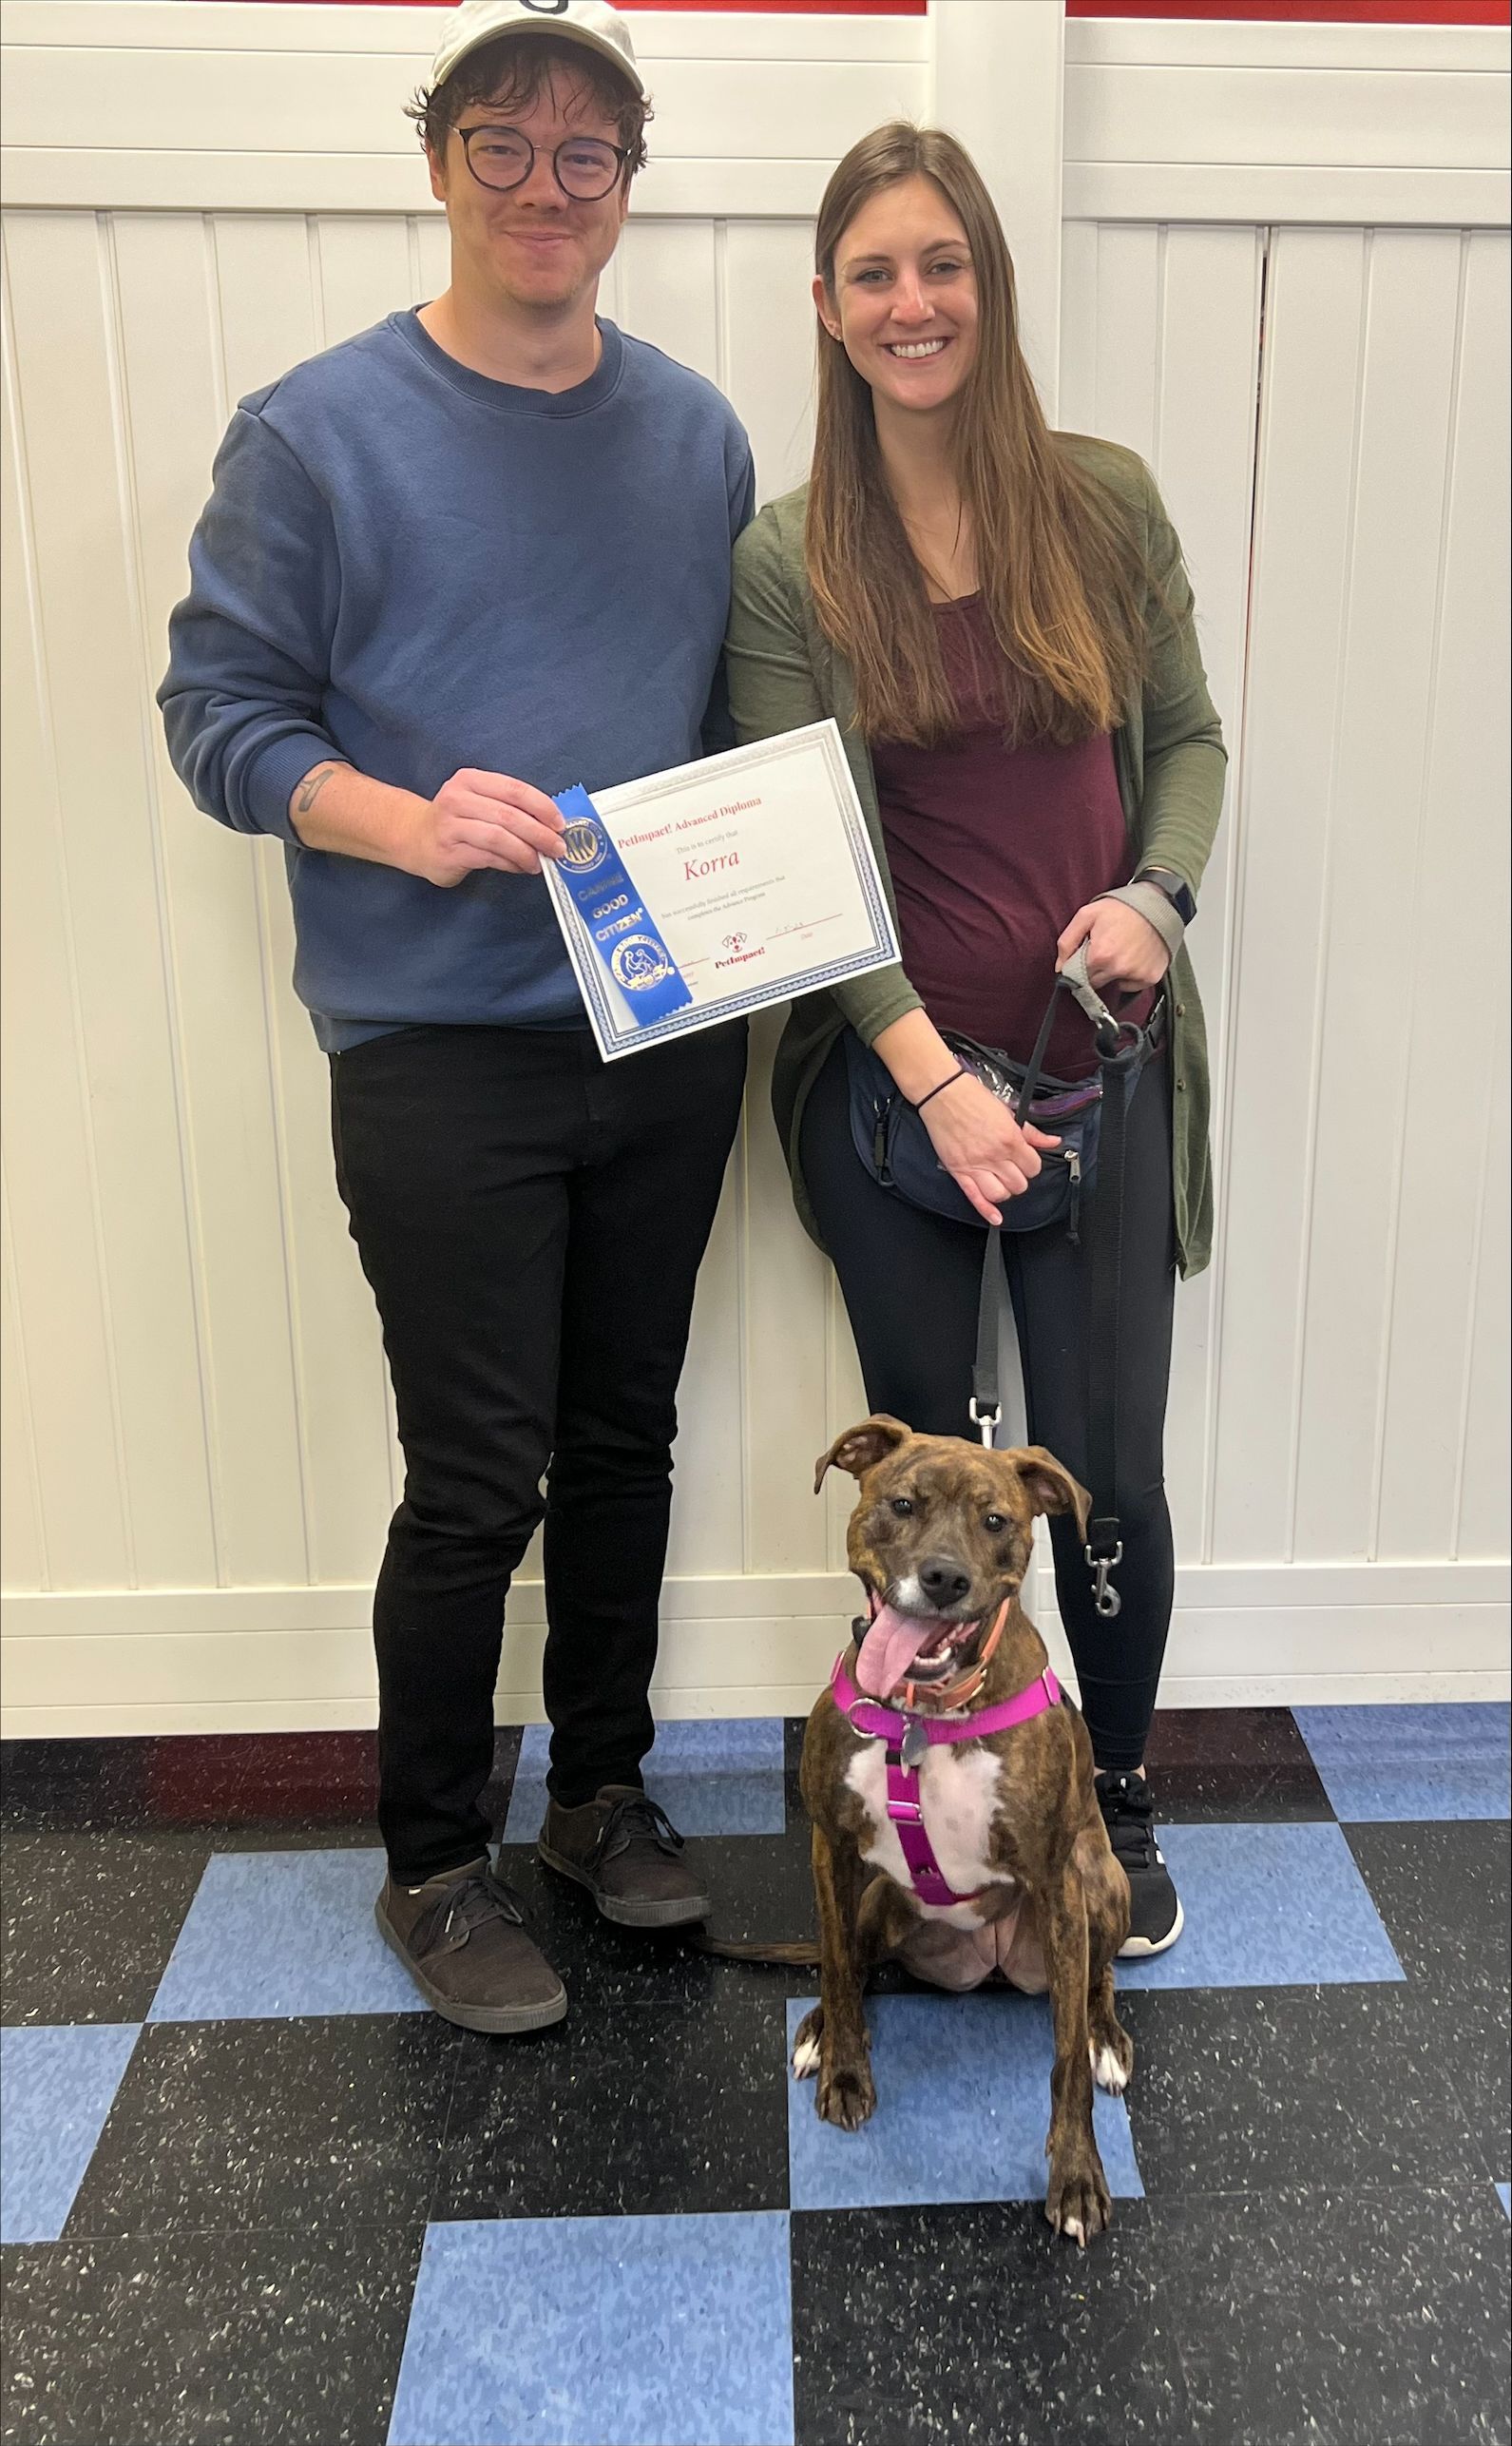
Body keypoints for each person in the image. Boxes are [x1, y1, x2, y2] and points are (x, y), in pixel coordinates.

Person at [160, 0, 756, 2032]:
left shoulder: (696, 434)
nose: (540, 185)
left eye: (583, 154)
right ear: (439, 165)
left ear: (625, 192)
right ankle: (433, 1862)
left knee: (623, 1442)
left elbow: (720, 726)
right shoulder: (313, 432)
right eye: (500, 142)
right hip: (436, 1051)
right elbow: (218, 719)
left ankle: (601, 1796)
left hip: (667, 1034)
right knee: (470, 1473)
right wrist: (402, 825)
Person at [726, 124, 1226, 1956]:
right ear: (831, 310)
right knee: (930, 1488)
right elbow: (796, 862)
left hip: (1103, 1070)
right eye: (875, 273)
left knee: (1110, 1474)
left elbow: (1189, 741)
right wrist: (929, 1074)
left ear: (989, 285)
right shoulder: (789, 559)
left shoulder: (1103, 500)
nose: (913, 301)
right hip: (888, 1102)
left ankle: (1124, 1791)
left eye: (943, 264)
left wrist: (1157, 898)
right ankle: (928, 1794)